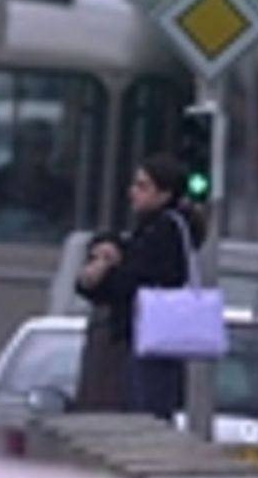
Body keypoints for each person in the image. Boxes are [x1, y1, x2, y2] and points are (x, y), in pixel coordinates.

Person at [74, 154, 197, 417]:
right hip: (145, 336)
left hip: (153, 334)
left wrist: (110, 267)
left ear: (164, 194)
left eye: (143, 186)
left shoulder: (165, 231)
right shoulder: (149, 230)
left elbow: (135, 278)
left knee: (147, 408)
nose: (133, 192)